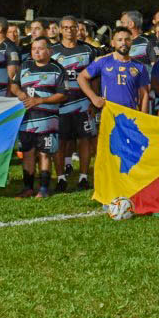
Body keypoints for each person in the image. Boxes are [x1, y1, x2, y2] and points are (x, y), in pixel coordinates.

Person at [10, 35, 69, 199]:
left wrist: (41, 100)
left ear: (49, 51)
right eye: (34, 49)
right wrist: (20, 93)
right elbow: (13, 85)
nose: (36, 52)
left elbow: (63, 95)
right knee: (28, 153)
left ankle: (43, 188)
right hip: (26, 120)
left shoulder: (58, 69)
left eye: (40, 48)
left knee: (45, 153)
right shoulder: (25, 66)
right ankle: (28, 187)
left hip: (47, 120)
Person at [51, 16, 97, 192]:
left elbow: (94, 77)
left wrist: (93, 99)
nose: (69, 31)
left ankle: (84, 177)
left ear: (78, 29)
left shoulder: (88, 50)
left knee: (84, 140)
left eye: (73, 28)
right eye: (66, 27)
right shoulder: (52, 50)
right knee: (61, 141)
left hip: (83, 103)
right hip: (61, 104)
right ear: (60, 30)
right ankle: (61, 178)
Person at [79, 27, 149, 112]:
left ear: (131, 42)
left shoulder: (140, 66)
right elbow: (81, 77)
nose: (123, 43)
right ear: (113, 43)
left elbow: (144, 94)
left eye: (127, 39)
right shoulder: (103, 61)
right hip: (109, 114)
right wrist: (93, 97)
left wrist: (143, 117)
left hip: (131, 115)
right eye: (119, 40)